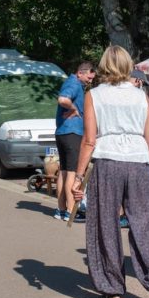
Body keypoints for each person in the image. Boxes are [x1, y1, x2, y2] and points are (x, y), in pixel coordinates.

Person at [71, 46, 149, 298]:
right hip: (139, 162)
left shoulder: (94, 95)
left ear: (104, 66)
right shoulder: (141, 96)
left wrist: (78, 176)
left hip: (108, 162)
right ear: (128, 66)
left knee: (105, 224)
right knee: (145, 224)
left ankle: (112, 287)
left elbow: (90, 140)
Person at [54, 61, 95, 220]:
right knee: (72, 172)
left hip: (62, 132)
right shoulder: (75, 84)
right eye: (89, 78)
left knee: (63, 172)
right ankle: (71, 211)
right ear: (80, 73)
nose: (89, 82)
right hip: (72, 133)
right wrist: (74, 109)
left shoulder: (69, 82)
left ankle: (61, 209)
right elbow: (63, 99)